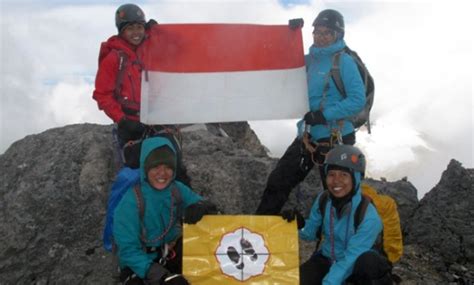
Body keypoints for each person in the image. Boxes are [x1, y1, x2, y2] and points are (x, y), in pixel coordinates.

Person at [256, 9, 366, 215]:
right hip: (308, 136)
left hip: (336, 138)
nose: (321, 37)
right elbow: (278, 61)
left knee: (339, 193)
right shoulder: (308, 61)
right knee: (278, 182)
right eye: (317, 32)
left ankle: (341, 243)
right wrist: (288, 35)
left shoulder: (343, 62)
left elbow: (357, 100)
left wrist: (324, 115)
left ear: (338, 35)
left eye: (327, 33)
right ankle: (259, 235)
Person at [92, 3, 190, 186]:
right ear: (121, 31)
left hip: (157, 118)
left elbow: (180, 48)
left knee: (173, 166)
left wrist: (159, 32)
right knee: (136, 172)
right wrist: (121, 120)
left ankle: (185, 206)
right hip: (130, 123)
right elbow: (102, 94)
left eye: (139, 27)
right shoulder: (114, 58)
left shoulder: (152, 50)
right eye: (130, 28)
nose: (136, 32)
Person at [113, 136, 217, 285]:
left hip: (171, 253)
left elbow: (200, 203)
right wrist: (162, 277)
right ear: (145, 168)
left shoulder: (176, 189)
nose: (162, 173)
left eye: (168, 167)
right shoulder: (130, 202)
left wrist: (201, 207)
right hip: (139, 264)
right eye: (155, 167)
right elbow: (128, 251)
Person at [283, 145, 393, 284]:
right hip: (328, 258)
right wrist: (298, 225)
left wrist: (328, 282)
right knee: (297, 281)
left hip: (358, 267)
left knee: (368, 263)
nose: (336, 181)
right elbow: (309, 233)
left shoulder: (368, 217)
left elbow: (350, 259)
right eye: (331, 174)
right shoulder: (324, 200)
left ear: (356, 178)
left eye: (344, 175)